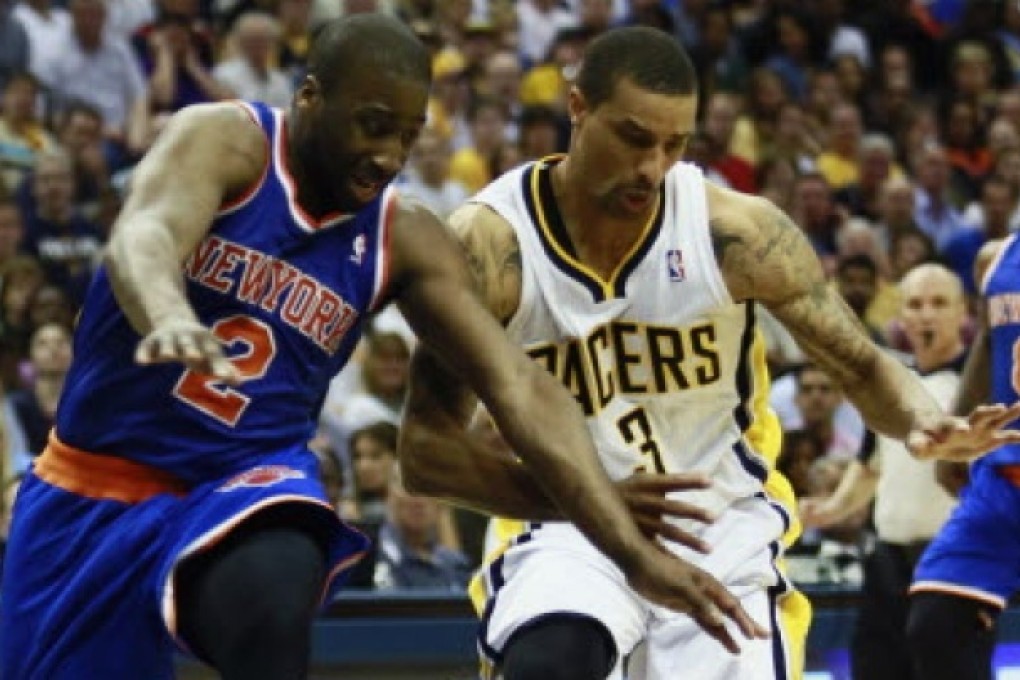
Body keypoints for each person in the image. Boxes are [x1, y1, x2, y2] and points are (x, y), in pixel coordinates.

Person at [0, 15, 762, 680]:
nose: (390, 154)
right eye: (372, 124)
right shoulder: (226, 138)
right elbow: (145, 232)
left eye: (408, 133)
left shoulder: (405, 237)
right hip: (90, 485)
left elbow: (520, 386)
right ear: (308, 97)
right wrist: (165, 309)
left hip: (238, 480)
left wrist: (623, 544)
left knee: (277, 580)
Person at [399, 27, 1020, 680]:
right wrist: (592, 501)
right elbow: (426, 453)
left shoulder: (736, 233)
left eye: (675, 145)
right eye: (635, 138)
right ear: (577, 108)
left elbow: (862, 363)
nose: (652, 167)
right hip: (564, 525)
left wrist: (922, 420)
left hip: (720, 531)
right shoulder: (490, 246)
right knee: (552, 661)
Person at [800, 263, 967, 680]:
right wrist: (829, 510)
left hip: (953, 561)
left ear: (963, 312)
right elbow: (870, 467)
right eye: (915, 304)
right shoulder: (890, 384)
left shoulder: (976, 383)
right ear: (900, 317)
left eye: (938, 303)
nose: (926, 314)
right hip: (887, 563)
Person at [906, 234, 1020, 680]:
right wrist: (954, 427)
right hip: (1003, 482)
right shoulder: (998, 259)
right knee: (935, 625)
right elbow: (991, 342)